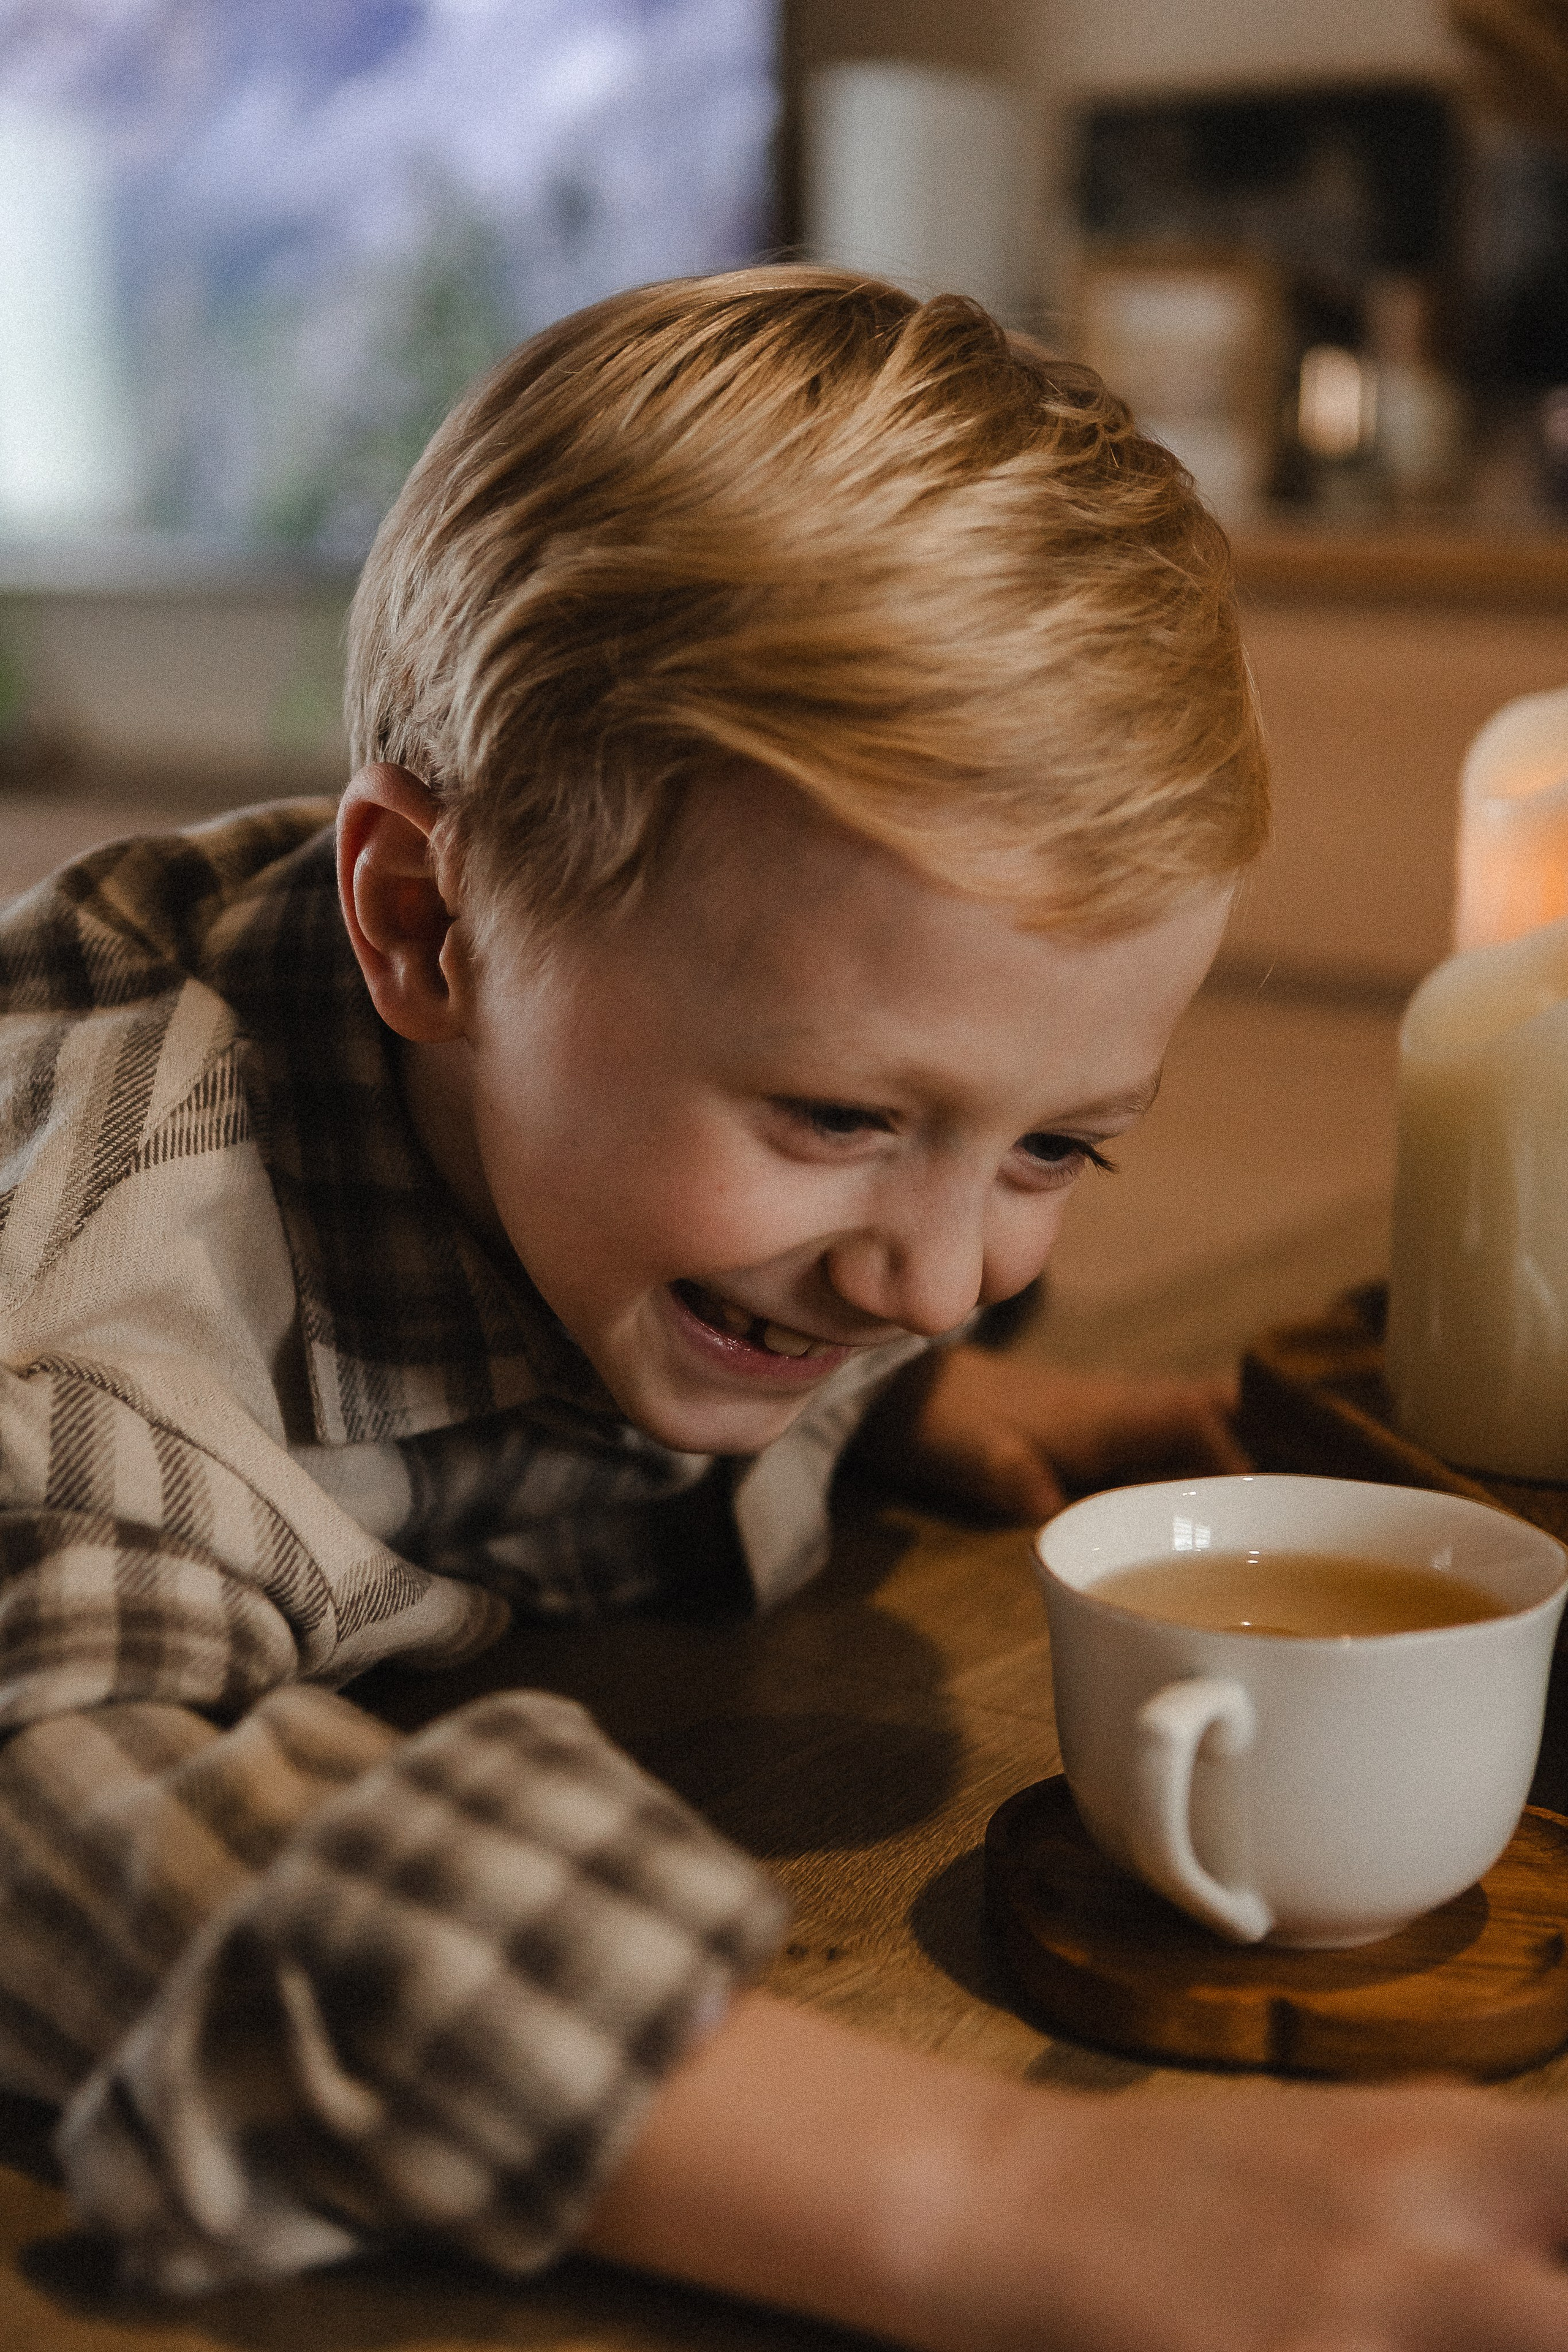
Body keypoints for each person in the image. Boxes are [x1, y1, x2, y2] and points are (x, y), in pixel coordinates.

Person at [3, 266, 1568, 2351]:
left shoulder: (610, 1114)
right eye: (839, 1117)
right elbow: (94, 1842)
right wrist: (1006, 2190)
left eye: (1054, 1151)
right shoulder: (109, 1303)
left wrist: (902, 1414)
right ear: (423, 924)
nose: (940, 1283)